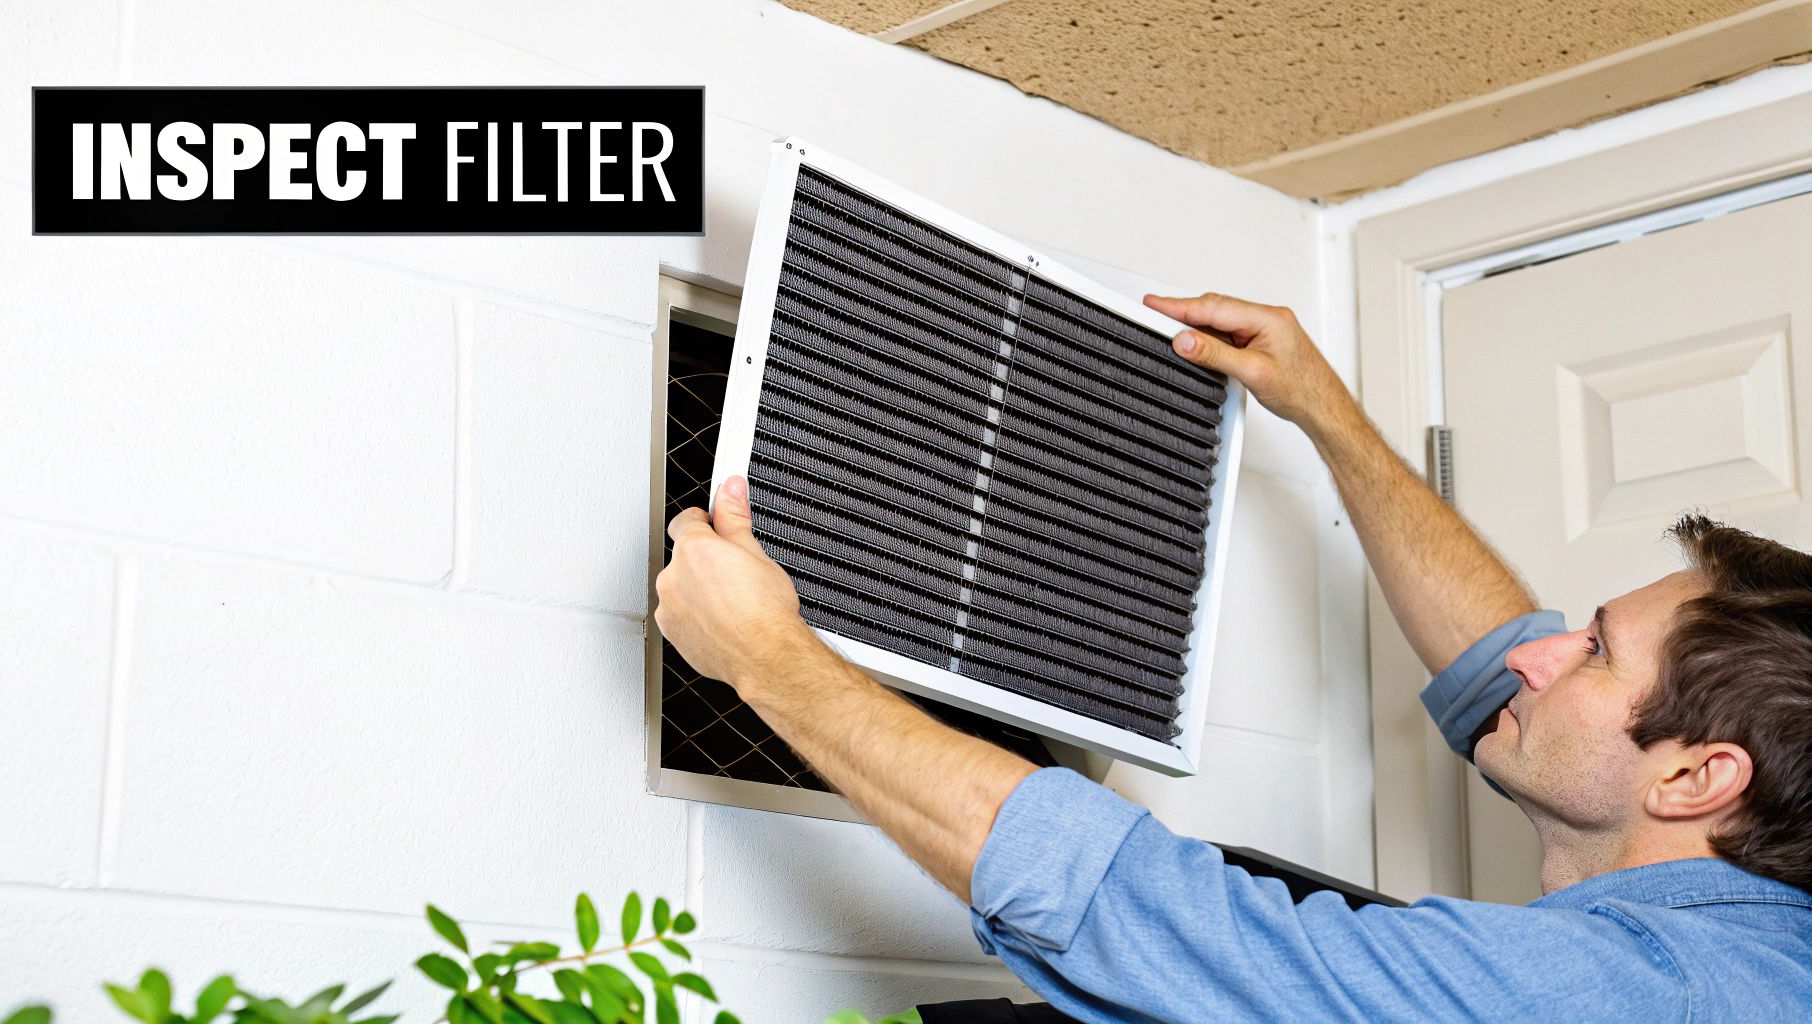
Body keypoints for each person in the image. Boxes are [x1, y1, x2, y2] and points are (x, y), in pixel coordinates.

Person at [654, 292, 1812, 1021]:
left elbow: (1134, 908)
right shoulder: (1753, 943)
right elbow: (1499, 661)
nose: (1537, 653)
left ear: (1693, 778)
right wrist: (1323, 412)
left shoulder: (1631, 995)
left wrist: (771, 661)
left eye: (1595, 651)